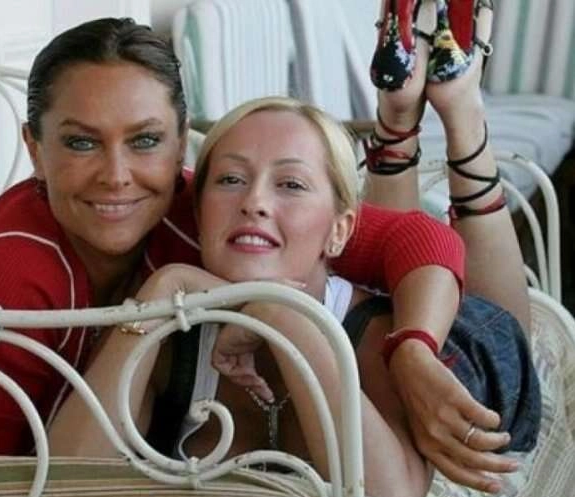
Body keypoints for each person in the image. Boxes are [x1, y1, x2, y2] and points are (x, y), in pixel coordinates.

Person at [0, 18, 467, 455]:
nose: (117, 176)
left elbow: (418, 241)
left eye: (145, 140)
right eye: (81, 143)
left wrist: (413, 349)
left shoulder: (210, 205)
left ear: (181, 139)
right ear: (35, 150)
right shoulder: (0, 288)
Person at [48, 7, 539, 496]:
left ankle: (452, 111)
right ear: (198, 213)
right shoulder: (169, 327)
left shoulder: (375, 341)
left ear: (341, 232)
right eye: (230, 179)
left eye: (291, 184)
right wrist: (167, 285)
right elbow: (63, 481)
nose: (254, 202)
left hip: (462, 350)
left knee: (506, 334)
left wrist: (282, 315)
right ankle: (398, 120)